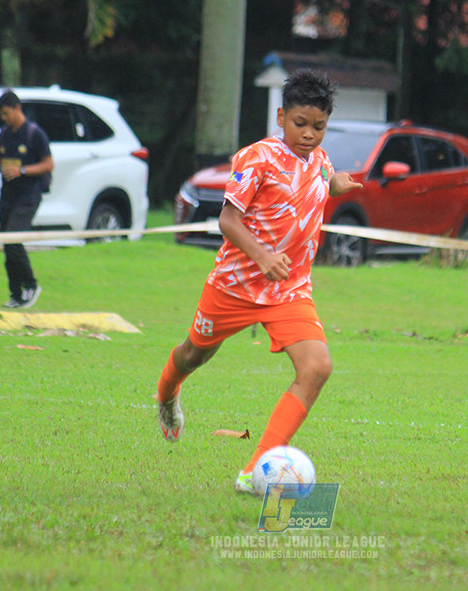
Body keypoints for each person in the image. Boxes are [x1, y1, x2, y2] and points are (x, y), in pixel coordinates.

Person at [154, 69, 362, 494]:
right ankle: (167, 394)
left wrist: (335, 185)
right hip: (235, 284)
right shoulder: (257, 158)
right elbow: (228, 220)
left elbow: (316, 185)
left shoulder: (320, 161)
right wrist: (263, 256)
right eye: (300, 124)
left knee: (318, 366)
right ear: (281, 116)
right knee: (194, 355)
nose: (308, 134)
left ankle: (254, 472)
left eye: (318, 127)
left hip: (289, 289)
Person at [0, 91, 54, 309]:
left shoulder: (34, 134)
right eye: (1, 115)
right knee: (7, 244)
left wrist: (22, 170)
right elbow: (4, 161)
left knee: (14, 240)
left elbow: (48, 164)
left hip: (28, 195)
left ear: (17, 109)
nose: (4, 118)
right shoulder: (4, 135)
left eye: (7, 113)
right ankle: (15, 294)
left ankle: (31, 285)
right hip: (7, 195)